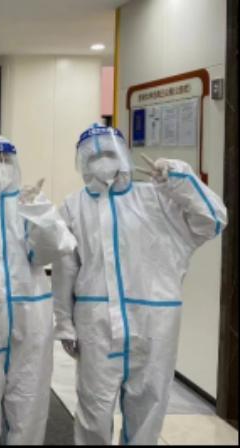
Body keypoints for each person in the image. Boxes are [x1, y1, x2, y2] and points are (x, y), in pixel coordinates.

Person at [52, 124, 227, 445]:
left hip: (154, 323)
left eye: (108, 152)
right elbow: (65, 268)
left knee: (147, 409)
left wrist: (180, 180)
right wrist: (64, 321)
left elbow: (213, 219)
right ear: (82, 162)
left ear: (123, 154)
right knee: (93, 410)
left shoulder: (158, 198)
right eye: (93, 156)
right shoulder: (73, 206)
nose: (101, 160)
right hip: (97, 324)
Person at [0, 131, 76, 444]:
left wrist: (39, 213)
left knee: (29, 400)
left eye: (2, 159)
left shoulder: (28, 202)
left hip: (30, 315)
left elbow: (54, 250)